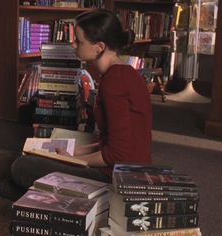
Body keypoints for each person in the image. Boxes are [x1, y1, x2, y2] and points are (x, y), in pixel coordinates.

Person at [11, 9, 152, 189]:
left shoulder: (115, 81)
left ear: (99, 47)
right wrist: (72, 154)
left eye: (79, 40)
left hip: (119, 178)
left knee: (22, 167)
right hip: (124, 168)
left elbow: (117, 154)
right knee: (30, 163)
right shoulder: (123, 73)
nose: (73, 44)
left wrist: (72, 162)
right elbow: (109, 142)